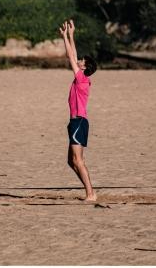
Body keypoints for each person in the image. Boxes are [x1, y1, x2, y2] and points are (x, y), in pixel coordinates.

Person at [59, 19, 97, 202]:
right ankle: (89, 190)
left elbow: (70, 57)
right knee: (71, 161)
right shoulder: (81, 77)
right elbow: (73, 56)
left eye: (82, 61)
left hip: (79, 122)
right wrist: (72, 35)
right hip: (75, 122)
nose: (79, 61)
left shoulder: (82, 79)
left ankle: (90, 193)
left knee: (78, 160)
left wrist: (65, 36)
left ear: (85, 67)